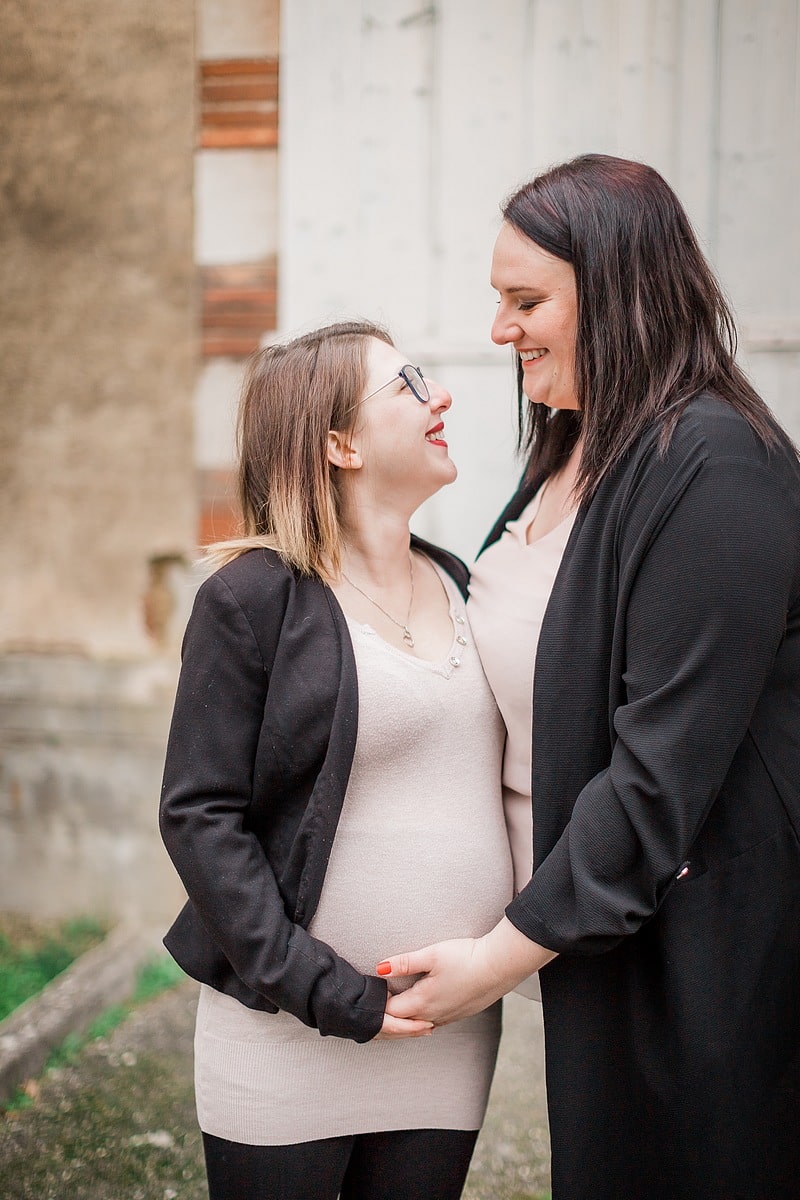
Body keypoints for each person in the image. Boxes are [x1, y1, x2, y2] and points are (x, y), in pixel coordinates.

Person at [378, 154, 800, 1200]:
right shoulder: (573, 447)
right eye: (497, 301)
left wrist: (499, 953)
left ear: (617, 293)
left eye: (525, 302)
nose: (497, 332)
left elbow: (657, 771)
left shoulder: (715, 467)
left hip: (699, 961)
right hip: (592, 940)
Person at [158, 320, 515, 1200]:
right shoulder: (251, 599)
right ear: (338, 441)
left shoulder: (466, 584)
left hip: (443, 1035)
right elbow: (199, 818)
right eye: (409, 385)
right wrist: (329, 993)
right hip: (287, 1036)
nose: (442, 397)